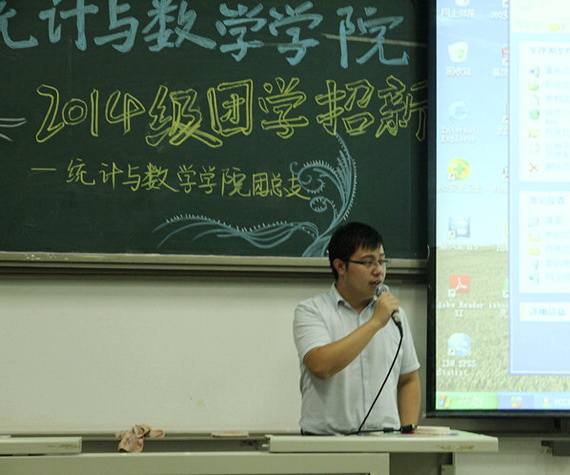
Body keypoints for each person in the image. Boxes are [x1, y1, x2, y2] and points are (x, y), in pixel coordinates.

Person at [293, 222, 421, 435]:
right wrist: (375, 322)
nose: (378, 270)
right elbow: (321, 365)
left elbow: (408, 379)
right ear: (340, 266)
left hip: (384, 441)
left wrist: (408, 434)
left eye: (382, 261)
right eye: (368, 262)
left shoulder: (395, 315)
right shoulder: (312, 311)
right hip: (326, 442)